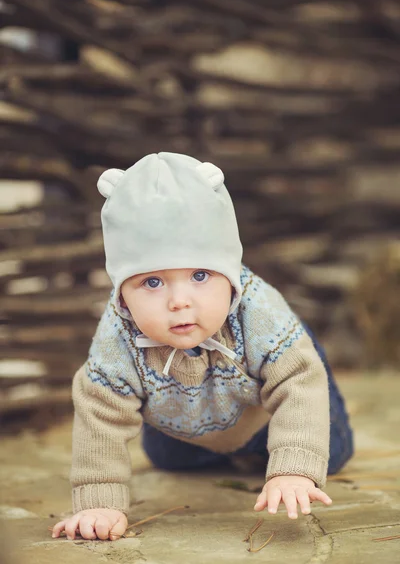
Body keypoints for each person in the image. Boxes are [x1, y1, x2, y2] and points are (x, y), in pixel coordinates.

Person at [52, 152, 353, 541]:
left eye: (199, 275)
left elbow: (296, 383)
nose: (179, 301)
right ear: (122, 294)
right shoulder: (118, 341)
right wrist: (98, 503)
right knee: (168, 460)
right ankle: (226, 451)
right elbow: (100, 414)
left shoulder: (259, 314)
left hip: (262, 405)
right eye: (153, 282)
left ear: (229, 277)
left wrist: (293, 469)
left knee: (330, 451)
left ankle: (270, 451)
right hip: (182, 413)